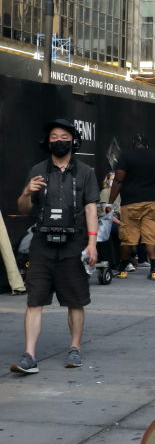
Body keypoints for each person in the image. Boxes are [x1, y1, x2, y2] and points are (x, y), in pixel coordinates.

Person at [11, 118, 99, 374]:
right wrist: (27, 192)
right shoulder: (38, 169)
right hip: (42, 244)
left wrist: (92, 244)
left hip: (74, 244)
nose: (59, 141)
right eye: (54, 137)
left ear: (73, 141)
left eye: (64, 137)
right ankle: (29, 355)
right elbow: (23, 208)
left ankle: (75, 348)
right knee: (34, 301)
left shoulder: (86, 172)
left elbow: (91, 208)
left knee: (75, 301)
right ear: (47, 142)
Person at [109, 134, 155, 280]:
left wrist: (110, 202)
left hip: (130, 201)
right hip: (151, 201)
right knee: (151, 237)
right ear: (146, 144)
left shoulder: (126, 156)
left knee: (127, 238)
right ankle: (154, 270)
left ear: (133, 143)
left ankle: (123, 269)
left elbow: (118, 180)